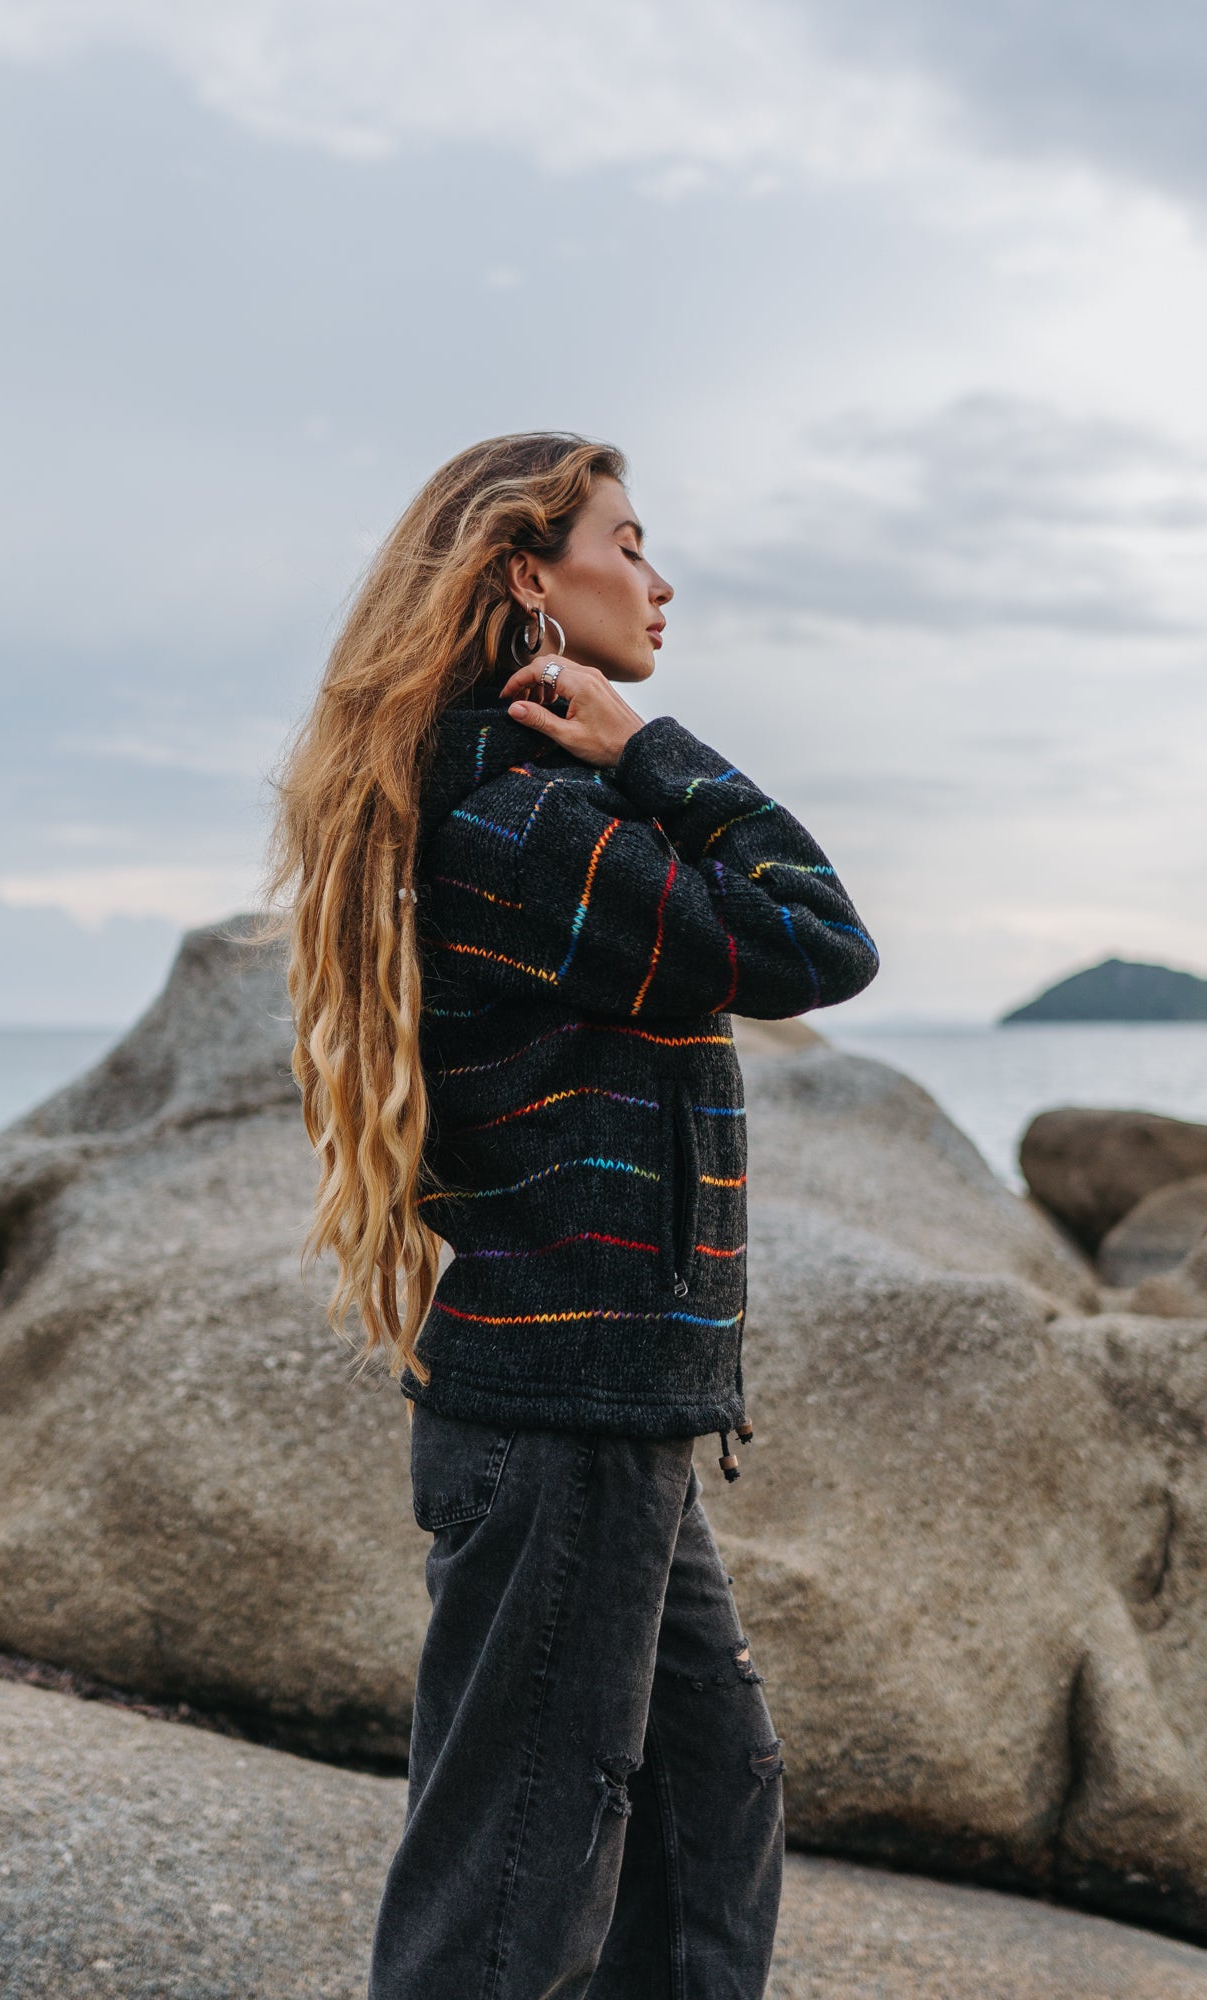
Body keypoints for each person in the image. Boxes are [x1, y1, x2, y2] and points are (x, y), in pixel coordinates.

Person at [267, 432, 879, 1999]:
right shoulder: (535, 825)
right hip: (566, 1418)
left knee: (700, 1813)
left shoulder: (535, 807)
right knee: (514, 1885)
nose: (658, 580)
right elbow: (814, 941)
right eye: (627, 541)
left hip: (612, 1415)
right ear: (527, 577)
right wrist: (649, 745)